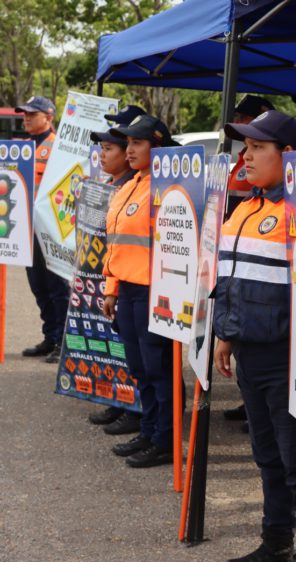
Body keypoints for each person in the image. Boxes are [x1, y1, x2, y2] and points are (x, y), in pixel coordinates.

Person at [213, 110, 296, 562]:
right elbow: (231, 278)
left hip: (291, 358)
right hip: (249, 354)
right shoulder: (246, 207)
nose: (247, 155)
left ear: (289, 155)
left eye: (258, 147)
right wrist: (225, 333)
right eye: (246, 146)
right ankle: (277, 545)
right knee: (267, 458)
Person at [101, 114, 178, 468]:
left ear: (157, 147)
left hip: (154, 291)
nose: (129, 150)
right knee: (139, 368)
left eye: (137, 143)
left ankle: (165, 439)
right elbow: (116, 243)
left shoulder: (167, 189)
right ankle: (149, 430)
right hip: (128, 289)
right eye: (127, 143)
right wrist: (111, 288)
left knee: (159, 369)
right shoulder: (130, 185)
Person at [87, 104, 146, 432]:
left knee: (145, 360)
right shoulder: (119, 184)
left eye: (110, 147)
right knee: (123, 350)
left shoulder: (138, 186)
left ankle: (139, 413)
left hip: (138, 285)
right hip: (117, 282)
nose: (102, 154)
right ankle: (123, 401)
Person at [222, 94, 277, 432]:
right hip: (246, 318)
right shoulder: (248, 199)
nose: (240, 124)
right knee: (266, 452)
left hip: (277, 328)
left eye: (246, 117)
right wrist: (227, 331)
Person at [17, 95, 68, 364]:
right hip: (26, 230)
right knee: (38, 285)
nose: (25, 117)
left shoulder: (59, 148)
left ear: (48, 117)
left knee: (57, 286)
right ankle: (50, 336)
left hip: (52, 230)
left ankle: (63, 340)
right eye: (24, 113)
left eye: (31, 114)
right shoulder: (22, 147)